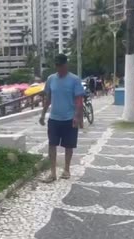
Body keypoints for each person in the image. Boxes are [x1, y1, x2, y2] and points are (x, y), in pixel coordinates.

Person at [39, 54, 85, 183]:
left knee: (68, 145)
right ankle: (52, 172)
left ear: (66, 64)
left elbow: (79, 100)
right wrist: (43, 114)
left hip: (69, 118)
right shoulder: (51, 79)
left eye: (61, 65)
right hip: (54, 118)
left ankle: (66, 169)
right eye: (57, 65)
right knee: (52, 144)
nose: (59, 67)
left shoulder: (74, 79)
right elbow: (48, 98)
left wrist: (77, 116)